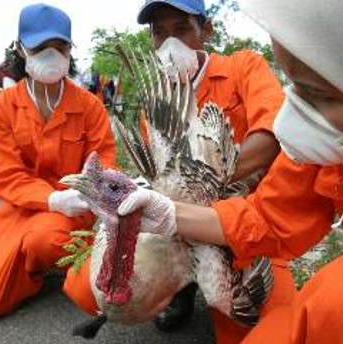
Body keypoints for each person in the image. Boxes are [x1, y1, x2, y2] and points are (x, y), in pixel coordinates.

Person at [116, 0, 343, 343]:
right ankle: (182, 289)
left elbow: (265, 140)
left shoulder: (254, 74)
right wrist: (169, 213)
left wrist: (199, 185)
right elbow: (268, 216)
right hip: (247, 225)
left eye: (319, 95)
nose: (292, 118)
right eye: (293, 87)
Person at [63, 0, 296, 342]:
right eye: (160, 33)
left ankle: (203, 282)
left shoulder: (244, 66)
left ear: (206, 29)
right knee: (89, 288)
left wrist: (203, 180)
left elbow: (271, 135)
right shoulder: (158, 98)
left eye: (182, 29)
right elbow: (158, 174)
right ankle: (180, 289)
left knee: (259, 319)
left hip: (247, 218)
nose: (171, 42)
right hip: (177, 219)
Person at [0, 3, 117, 320]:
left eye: (59, 47)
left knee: (49, 242)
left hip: (74, 213)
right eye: (39, 47)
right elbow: (6, 177)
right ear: (20, 48)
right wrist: (50, 198)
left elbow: (104, 162)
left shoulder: (90, 106)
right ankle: (37, 267)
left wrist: (83, 196)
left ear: (70, 50)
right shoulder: (0, 108)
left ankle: (52, 255)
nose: (51, 56)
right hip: (18, 211)